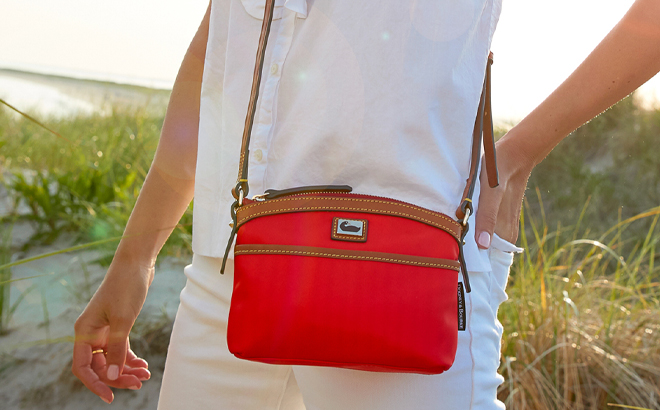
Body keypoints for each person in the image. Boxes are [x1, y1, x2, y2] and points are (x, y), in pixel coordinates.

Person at [71, 0, 660, 408]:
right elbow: (218, 54)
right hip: (233, 272)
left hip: (409, 272)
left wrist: (521, 151)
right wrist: (135, 258)